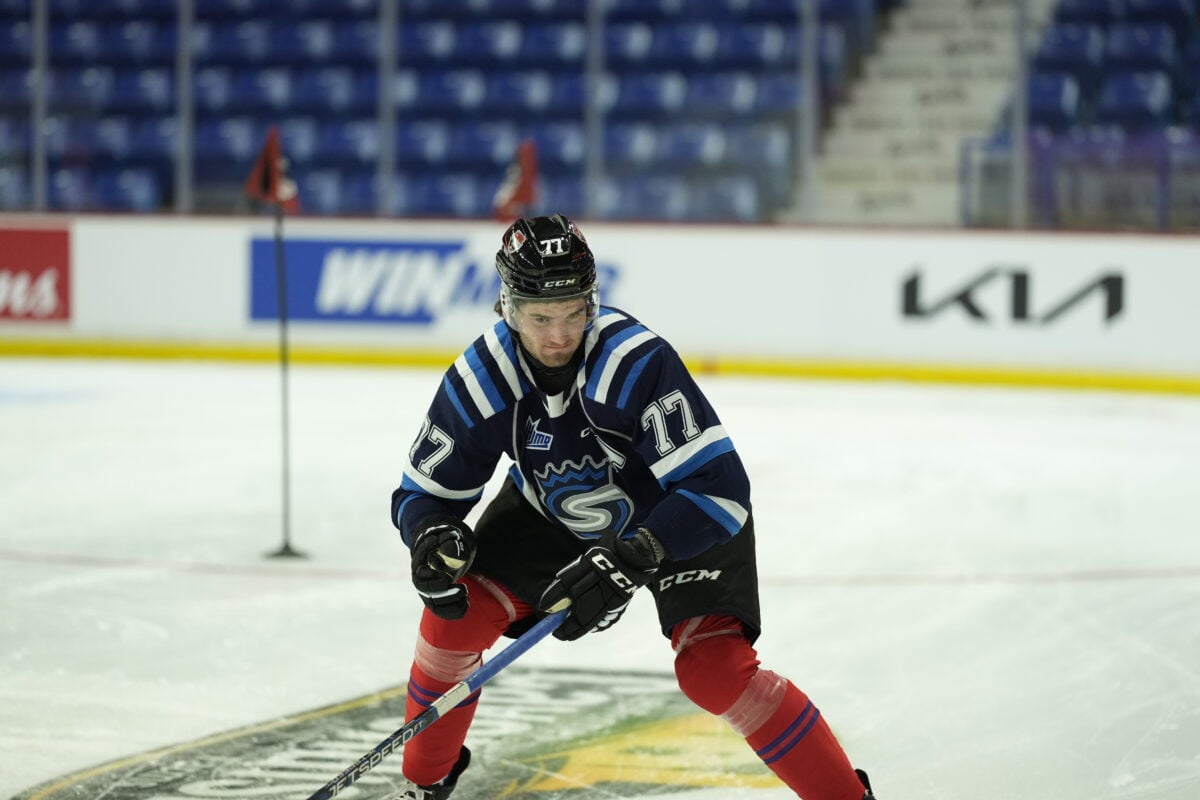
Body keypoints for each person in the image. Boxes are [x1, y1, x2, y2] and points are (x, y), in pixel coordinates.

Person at [390, 213, 876, 800]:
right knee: (455, 615)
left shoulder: (633, 362)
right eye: (541, 317)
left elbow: (719, 489)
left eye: (574, 312)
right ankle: (426, 780)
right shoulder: (483, 376)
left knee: (713, 671)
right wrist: (430, 536)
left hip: (678, 518)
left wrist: (637, 552)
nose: (558, 336)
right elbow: (423, 494)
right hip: (556, 512)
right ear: (508, 309)